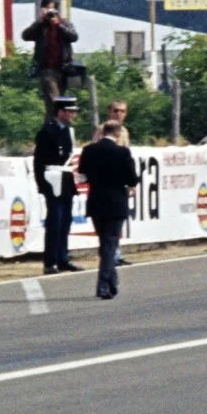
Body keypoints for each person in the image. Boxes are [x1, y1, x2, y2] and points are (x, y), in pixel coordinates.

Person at [79, 123, 139, 299]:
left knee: (105, 243)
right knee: (110, 243)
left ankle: (111, 281)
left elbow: (83, 175)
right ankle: (103, 284)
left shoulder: (88, 150)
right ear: (118, 134)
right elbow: (132, 178)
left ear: (103, 132)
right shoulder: (123, 152)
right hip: (116, 202)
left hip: (96, 201)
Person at [35, 96, 81, 273]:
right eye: (69, 111)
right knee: (55, 221)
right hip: (52, 179)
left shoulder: (67, 131)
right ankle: (51, 261)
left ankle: (63, 258)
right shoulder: (48, 131)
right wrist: (42, 184)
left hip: (65, 179)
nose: (72, 115)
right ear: (60, 112)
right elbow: (39, 161)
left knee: (65, 221)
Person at [21, 0, 80, 113]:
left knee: (56, 102)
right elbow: (25, 36)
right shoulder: (41, 26)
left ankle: (53, 122)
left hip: (64, 68)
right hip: (47, 69)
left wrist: (58, 25)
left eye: (51, 9)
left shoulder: (64, 23)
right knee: (54, 100)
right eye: (46, 8)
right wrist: (39, 22)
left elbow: (74, 37)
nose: (49, 12)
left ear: (56, 10)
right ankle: (58, 120)